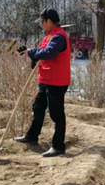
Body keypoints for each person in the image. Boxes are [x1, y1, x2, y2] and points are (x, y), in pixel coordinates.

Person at [15, 9, 71, 157]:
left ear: (49, 21)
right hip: (45, 79)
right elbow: (42, 53)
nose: (41, 25)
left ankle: (58, 146)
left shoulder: (59, 37)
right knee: (38, 108)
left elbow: (48, 53)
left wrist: (31, 52)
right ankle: (32, 136)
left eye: (43, 22)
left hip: (57, 82)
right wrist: (32, 55)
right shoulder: (48, 36)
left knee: (56, 113)